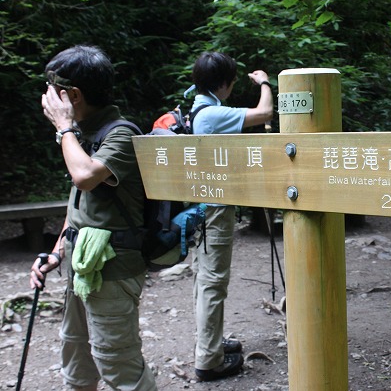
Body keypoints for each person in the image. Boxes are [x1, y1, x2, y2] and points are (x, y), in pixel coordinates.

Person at [30, 45, 157, 390]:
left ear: (73, 95)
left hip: (113, 271)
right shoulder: (82, 133)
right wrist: (56, 252)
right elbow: (80, 205)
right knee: (77, 362)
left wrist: (63, 126)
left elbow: (85, 176)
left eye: (53, 90)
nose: (47, 98)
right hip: (81, 264)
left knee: (119, 366)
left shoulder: (121, 133)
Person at [187, 51, 273, 381]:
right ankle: (209, 359)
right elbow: (264, 112)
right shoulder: (211, 115)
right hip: (214, 210)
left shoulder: (198, 108)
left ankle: (210, 342)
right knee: (212, 281)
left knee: (205, 277)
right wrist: (264, 81)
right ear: (224, 83)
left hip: (201, 206)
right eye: (233, 81)